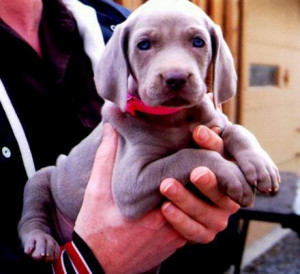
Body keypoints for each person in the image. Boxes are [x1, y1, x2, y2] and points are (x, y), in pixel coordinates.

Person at [0, 0, 241, 273]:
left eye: (196, 42)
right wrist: (84, 264)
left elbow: (220, 227)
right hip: (56, 220)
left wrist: (212, 211)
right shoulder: (132, 34)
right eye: (147, 45)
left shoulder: (121, 21)